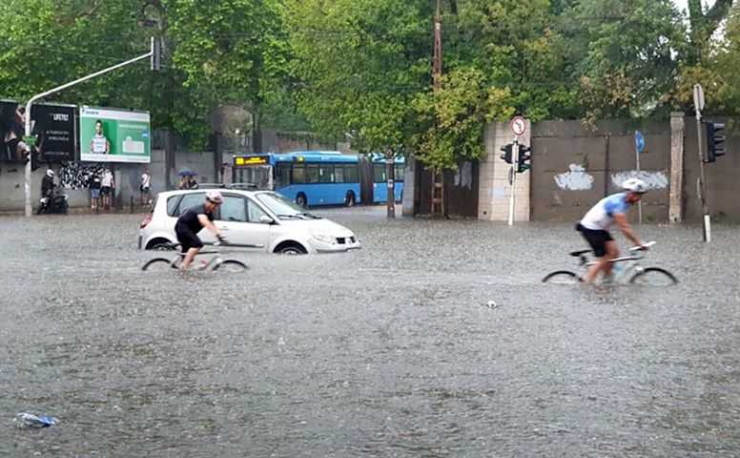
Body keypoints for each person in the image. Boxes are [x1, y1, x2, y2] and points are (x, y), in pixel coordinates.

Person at [575, 178, 650, 284]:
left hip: (601, 228)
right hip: (591, 228)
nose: (638, 198)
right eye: (636, 194)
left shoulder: (626, 201)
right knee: (605, 257)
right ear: (629, 192)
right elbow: (624, 228)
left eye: (640, 195)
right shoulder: (617, 204)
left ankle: (606, 279)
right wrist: (638, 243)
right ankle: (586, 283)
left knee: (614, 252)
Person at [174, 190, 226, 270]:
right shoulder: (200, 209)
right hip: (182, 229)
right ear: (208, 201)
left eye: (217, 205)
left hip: (189, 231)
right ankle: (183, 268)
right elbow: (204, 221)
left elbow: (212, 224)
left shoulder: (209, 212)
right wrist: (216, 234)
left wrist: (220, 235)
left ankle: (185, 273)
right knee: (197, 244)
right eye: (214, 204)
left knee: (189, 257)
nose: (215, 207)